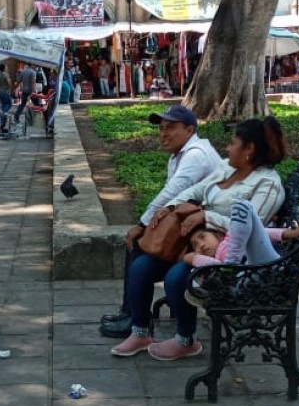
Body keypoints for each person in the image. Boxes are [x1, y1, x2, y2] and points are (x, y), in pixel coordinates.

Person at [110, 117, 287, 361]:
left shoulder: (268, 185)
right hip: (196, 240)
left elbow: (250, 226)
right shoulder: (227, 167)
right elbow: (196, 190)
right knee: (140, 268)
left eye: (233, 143)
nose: (227, 148)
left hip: (225, 255)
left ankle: (187, 340)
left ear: (249, 149)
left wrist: (205, 215)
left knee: (175, 278)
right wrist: (171, 206)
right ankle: (140, 332)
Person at [98, 105, 223, 339]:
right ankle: (134, 316)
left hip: (202, 236)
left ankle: (134, 316)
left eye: (171, 128)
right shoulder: (180, 155)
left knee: (138, 244)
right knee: (138, 249)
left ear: (189, 129)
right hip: (188, 230)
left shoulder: (196, 155)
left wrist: (142, 224)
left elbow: (172, 194)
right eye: (161, 129)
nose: (164, 134)